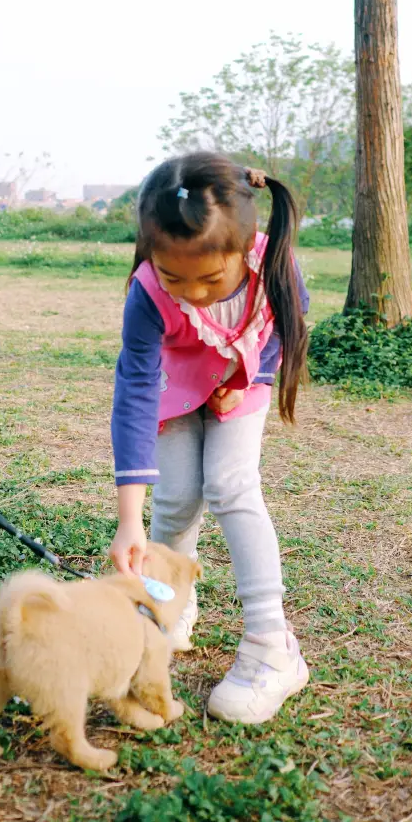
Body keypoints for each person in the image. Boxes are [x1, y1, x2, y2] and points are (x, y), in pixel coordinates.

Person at [109, 152, 310, 725]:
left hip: (239, 384)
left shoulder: (273, 261)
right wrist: (129, 521)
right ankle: (169, 608)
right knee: (174, 503)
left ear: (243, 250)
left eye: (210, 278)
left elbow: (286, 324)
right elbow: (136, 392)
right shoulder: (147, 292)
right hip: (177, 388)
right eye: (176, 277)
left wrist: (245, 378)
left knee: (230, 484)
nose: (193, 292)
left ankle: (273, 646)